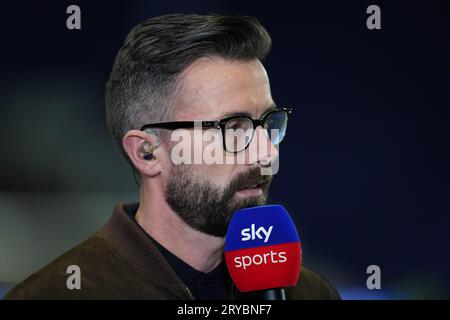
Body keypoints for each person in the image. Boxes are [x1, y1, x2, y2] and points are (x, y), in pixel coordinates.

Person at [5, 13, 340, 300]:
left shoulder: (308, 293)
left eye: (268, 122)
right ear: (147, 152)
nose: (266, 151)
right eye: (233, 128)